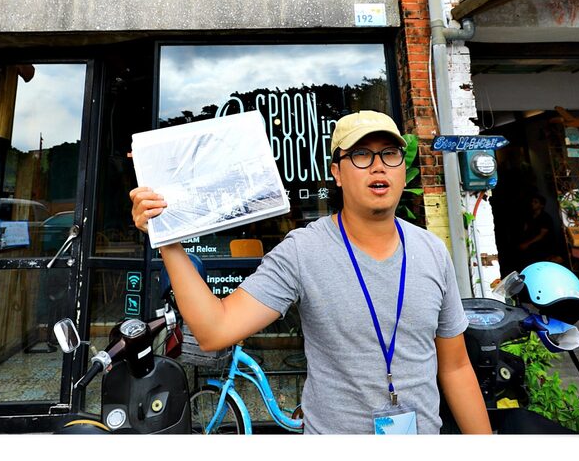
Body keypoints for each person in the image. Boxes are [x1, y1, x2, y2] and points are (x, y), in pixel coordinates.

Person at [130, 110, 491, 434]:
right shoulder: (303, 251)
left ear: (401, 167)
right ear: (336, 172)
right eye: (362, 155)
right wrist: (168, 239)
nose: (378, 166)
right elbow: (215, 330)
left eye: (390, 154)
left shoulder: (432, 252)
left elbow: (456, 368)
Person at [518, 193, 562, 266]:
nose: (532, 204)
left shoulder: (545, 217)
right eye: (532, 202)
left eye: (535, 202)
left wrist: (527, 244)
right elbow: (526, 230)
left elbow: (541, 235)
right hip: (532, 247)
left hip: (543, 247)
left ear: (542, 205)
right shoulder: (530, 216)